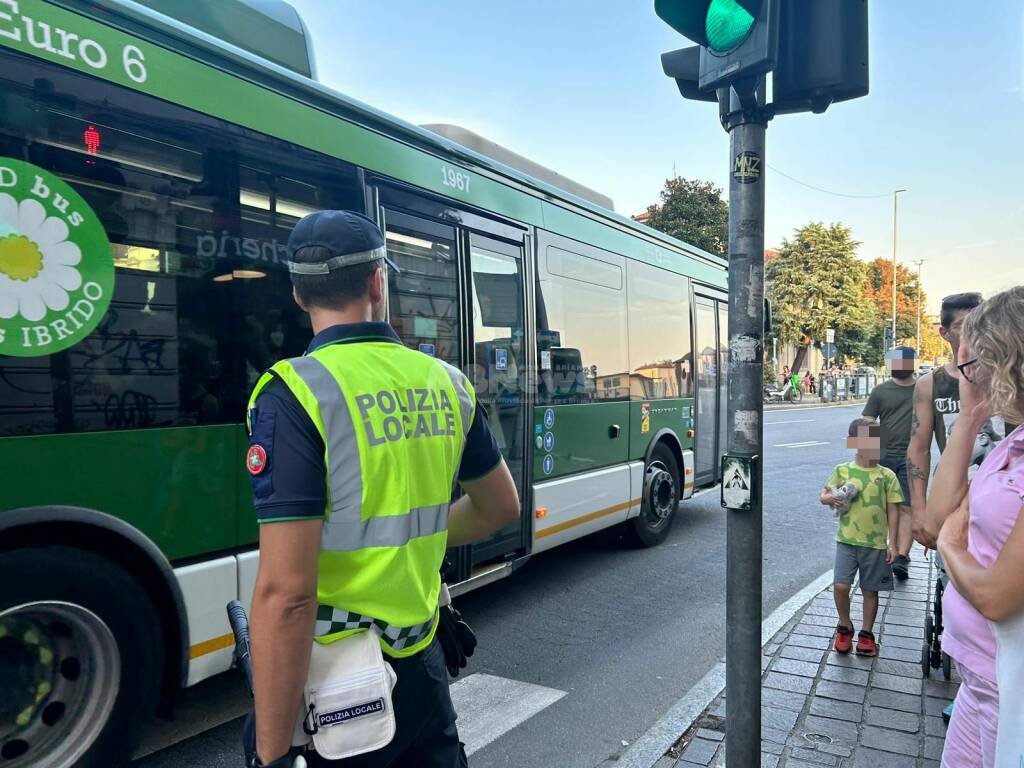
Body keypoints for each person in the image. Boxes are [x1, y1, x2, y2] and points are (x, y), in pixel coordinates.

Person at [243, 210, 520, 768]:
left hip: (341, 692)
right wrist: (413, 539)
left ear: (299, 295)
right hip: (423, 668)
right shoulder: (445, 382)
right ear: (377, 283)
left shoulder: (293, 393)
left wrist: (271, 757)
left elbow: (288, 597)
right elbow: (500, 508)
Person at [928, 288, 1024, 768]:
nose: (973, 374)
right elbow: (938, 513)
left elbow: (996, 596)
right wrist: (969, 415)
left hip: (1012, 689)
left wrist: (950, 545)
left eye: (979, 362)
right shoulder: (1012, 445)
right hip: (978, 680)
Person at [907, 292, 985, 547]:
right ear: (944, 333)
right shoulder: (930, 384)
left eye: (980, 324)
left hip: (1006, 500)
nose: (975, 334)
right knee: (952, 579)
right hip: (955, 503)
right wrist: (919, 510)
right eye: (964, 327)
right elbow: (918, 448)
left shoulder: (1007, 377)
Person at [820, 418, 902, 657]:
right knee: (841, 586)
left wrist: (893, 543)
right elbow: (823, 495)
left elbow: (894, 510)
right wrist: (830, 499)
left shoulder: (886, 475)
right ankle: (844, 625)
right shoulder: (843, 470)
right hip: (846, 540)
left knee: (870, 590)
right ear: (855, 443)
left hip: (875, 544)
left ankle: (867, 634)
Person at [861, 346, 917, 580]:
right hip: (883, 458)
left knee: (907, 507)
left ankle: (902, 558)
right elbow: (867, 421)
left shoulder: (923, 389)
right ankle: (887, 549)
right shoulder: (880, 391)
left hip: (912, 459)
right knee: (883, 508)